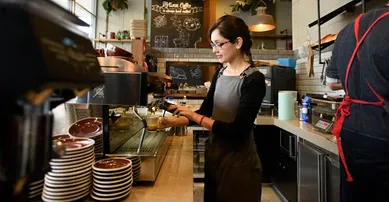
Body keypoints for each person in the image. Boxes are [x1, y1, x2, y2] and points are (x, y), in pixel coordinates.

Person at [158, 15, 266, 202]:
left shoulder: (254, 79)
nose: (214, 50)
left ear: (238, 42)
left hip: (239, 166)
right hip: (215, 158)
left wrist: (193, 115)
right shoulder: (220, 73)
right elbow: (205, 113)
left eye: (218, 44)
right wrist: (172, 121)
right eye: (212, 45)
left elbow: (238, 130)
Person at [326, 3, 389, 202]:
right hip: (383, 132)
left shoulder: (346, 30)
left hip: (351, 131)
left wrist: (357, 80)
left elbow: (332, 84)